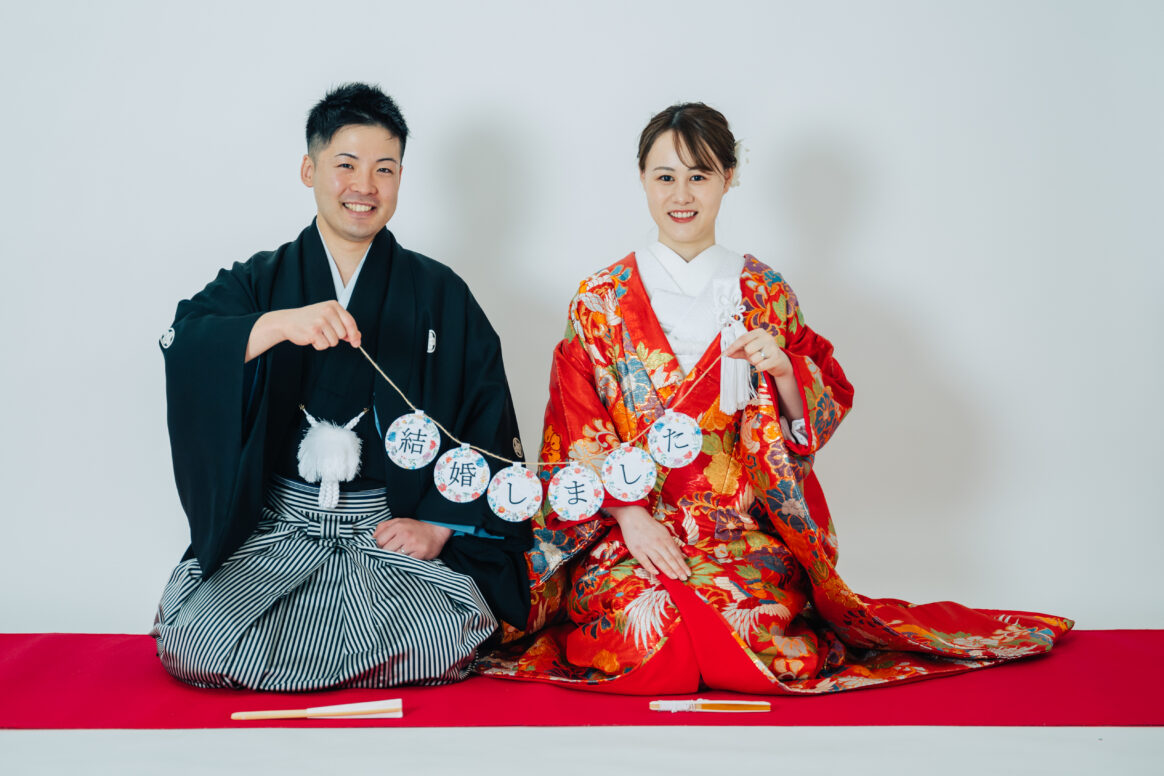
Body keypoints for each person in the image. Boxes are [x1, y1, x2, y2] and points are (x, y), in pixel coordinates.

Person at [478, 103, 1072, 694]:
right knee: (646, 630)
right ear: (641, 179)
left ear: (729, 177)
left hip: (739, 528)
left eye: (700, 175)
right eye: (665, 177)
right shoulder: (599, 299)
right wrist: (632, 520)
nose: (681, 195)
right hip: (630, 532)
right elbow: (574, 428)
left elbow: (813, 413)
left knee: (751, 630)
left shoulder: (764, 291)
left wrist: (785, 371)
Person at [151, 83, 531, 691]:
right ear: (310, 170)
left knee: (443, 630)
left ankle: (318, 663)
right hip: (280, 526)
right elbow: (186, 339)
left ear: (401, 178)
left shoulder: (440, 292)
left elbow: (485, 417)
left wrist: (438, 525)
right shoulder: (263, 280)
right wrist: (278, 325)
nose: (365, 186)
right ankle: (354, 667)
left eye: (385, 169)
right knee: (199, 642)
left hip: (389, 528)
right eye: (346, 165)